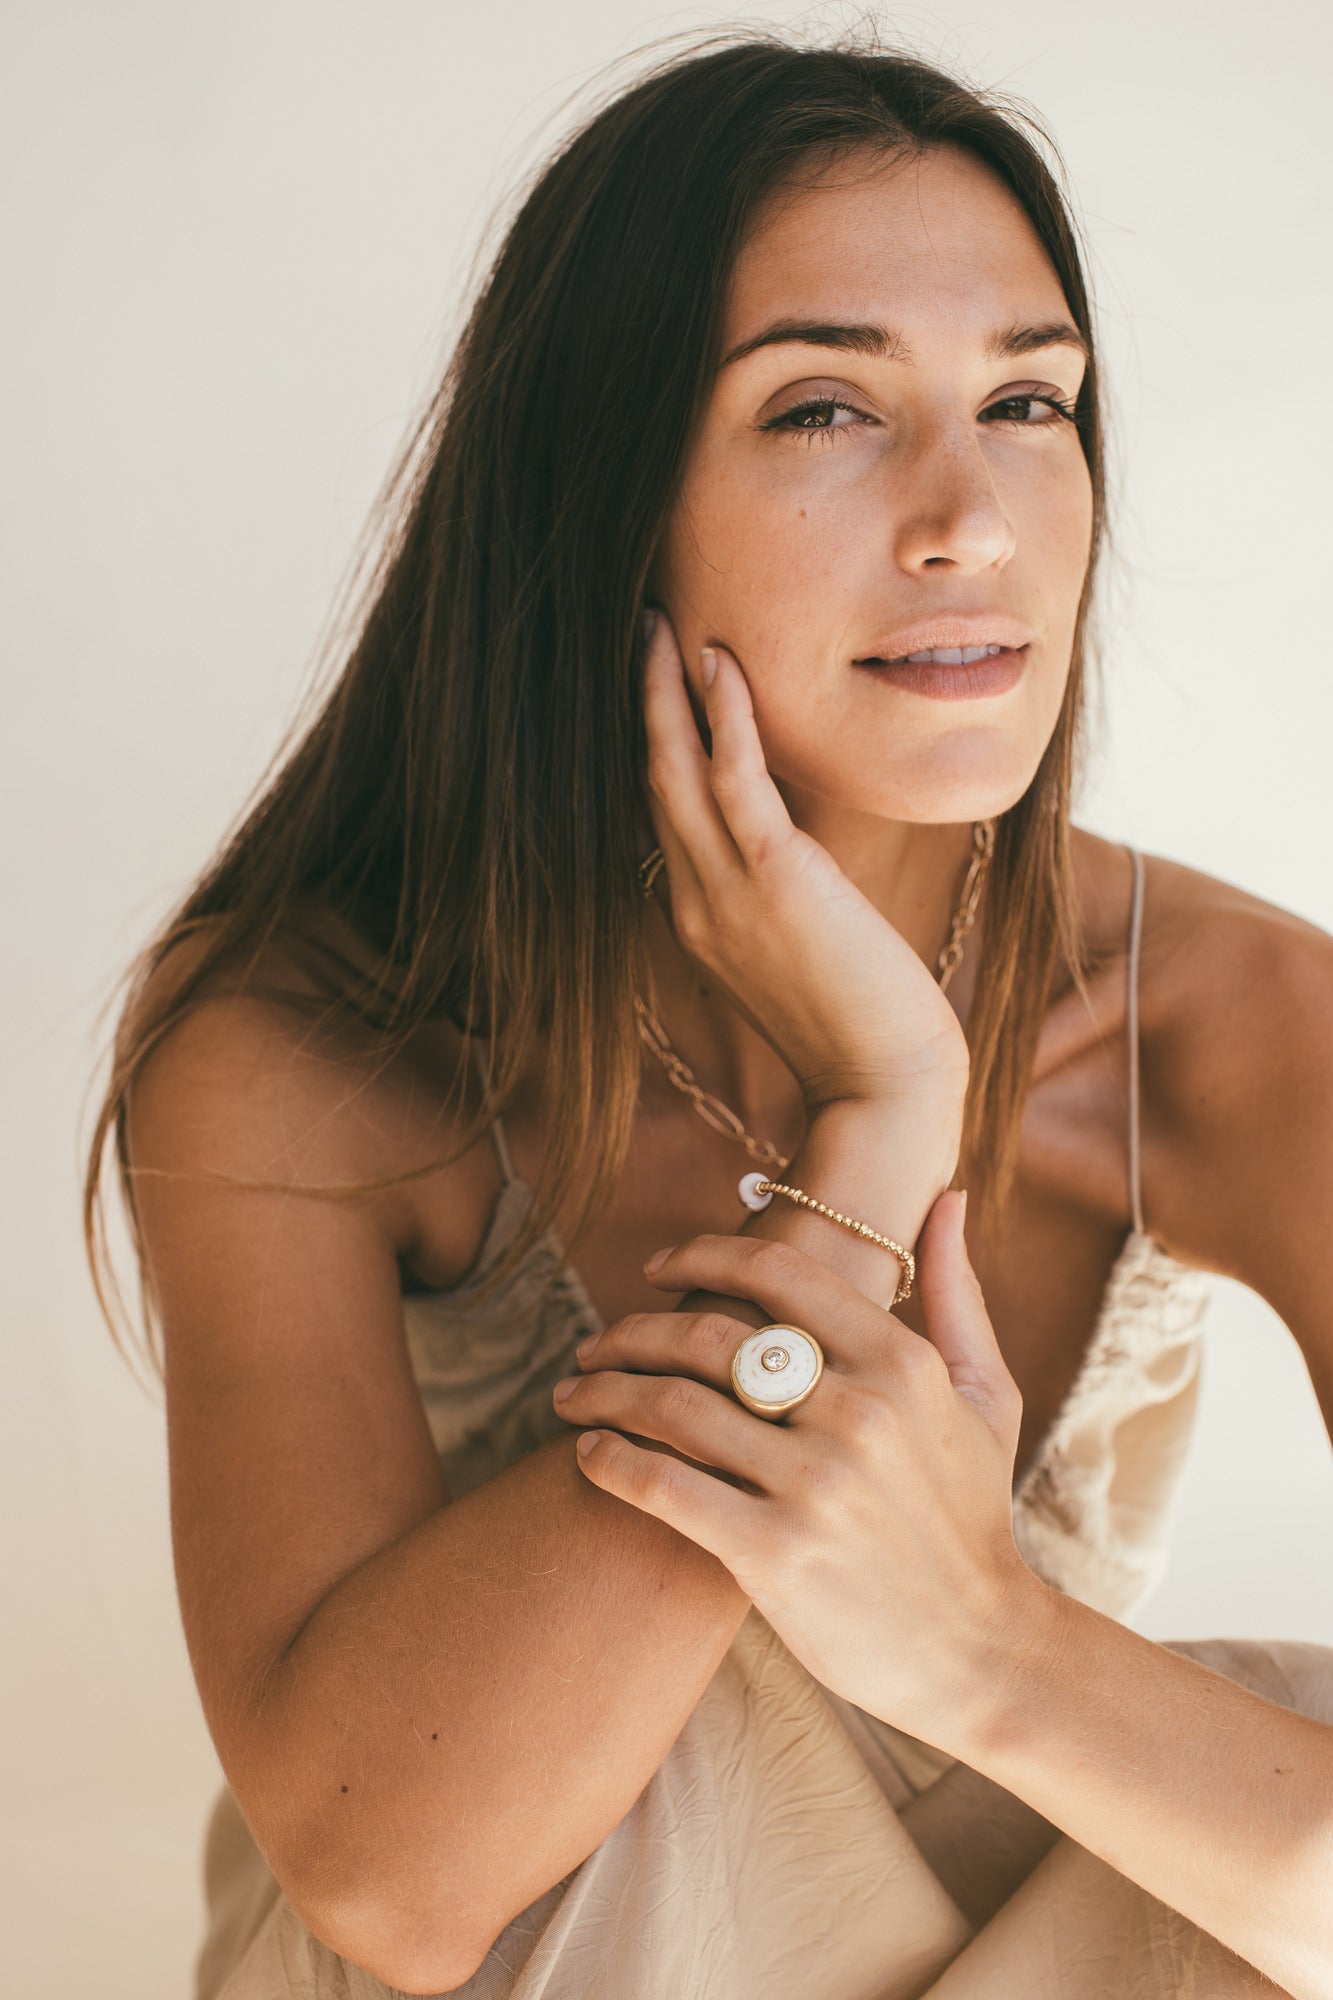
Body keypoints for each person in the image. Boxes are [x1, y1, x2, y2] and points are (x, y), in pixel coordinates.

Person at [84, 29, 1333, 2000]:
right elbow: (399, 1883)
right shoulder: (311, 1044)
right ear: (608, 493)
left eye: (1028, 398)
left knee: (1258, 1773)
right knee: (614, 1781)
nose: (970, 519)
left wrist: (983, 1650)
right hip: (555, 1953)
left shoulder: (1248, 1023)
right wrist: (875, 1130)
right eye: (825, 407)